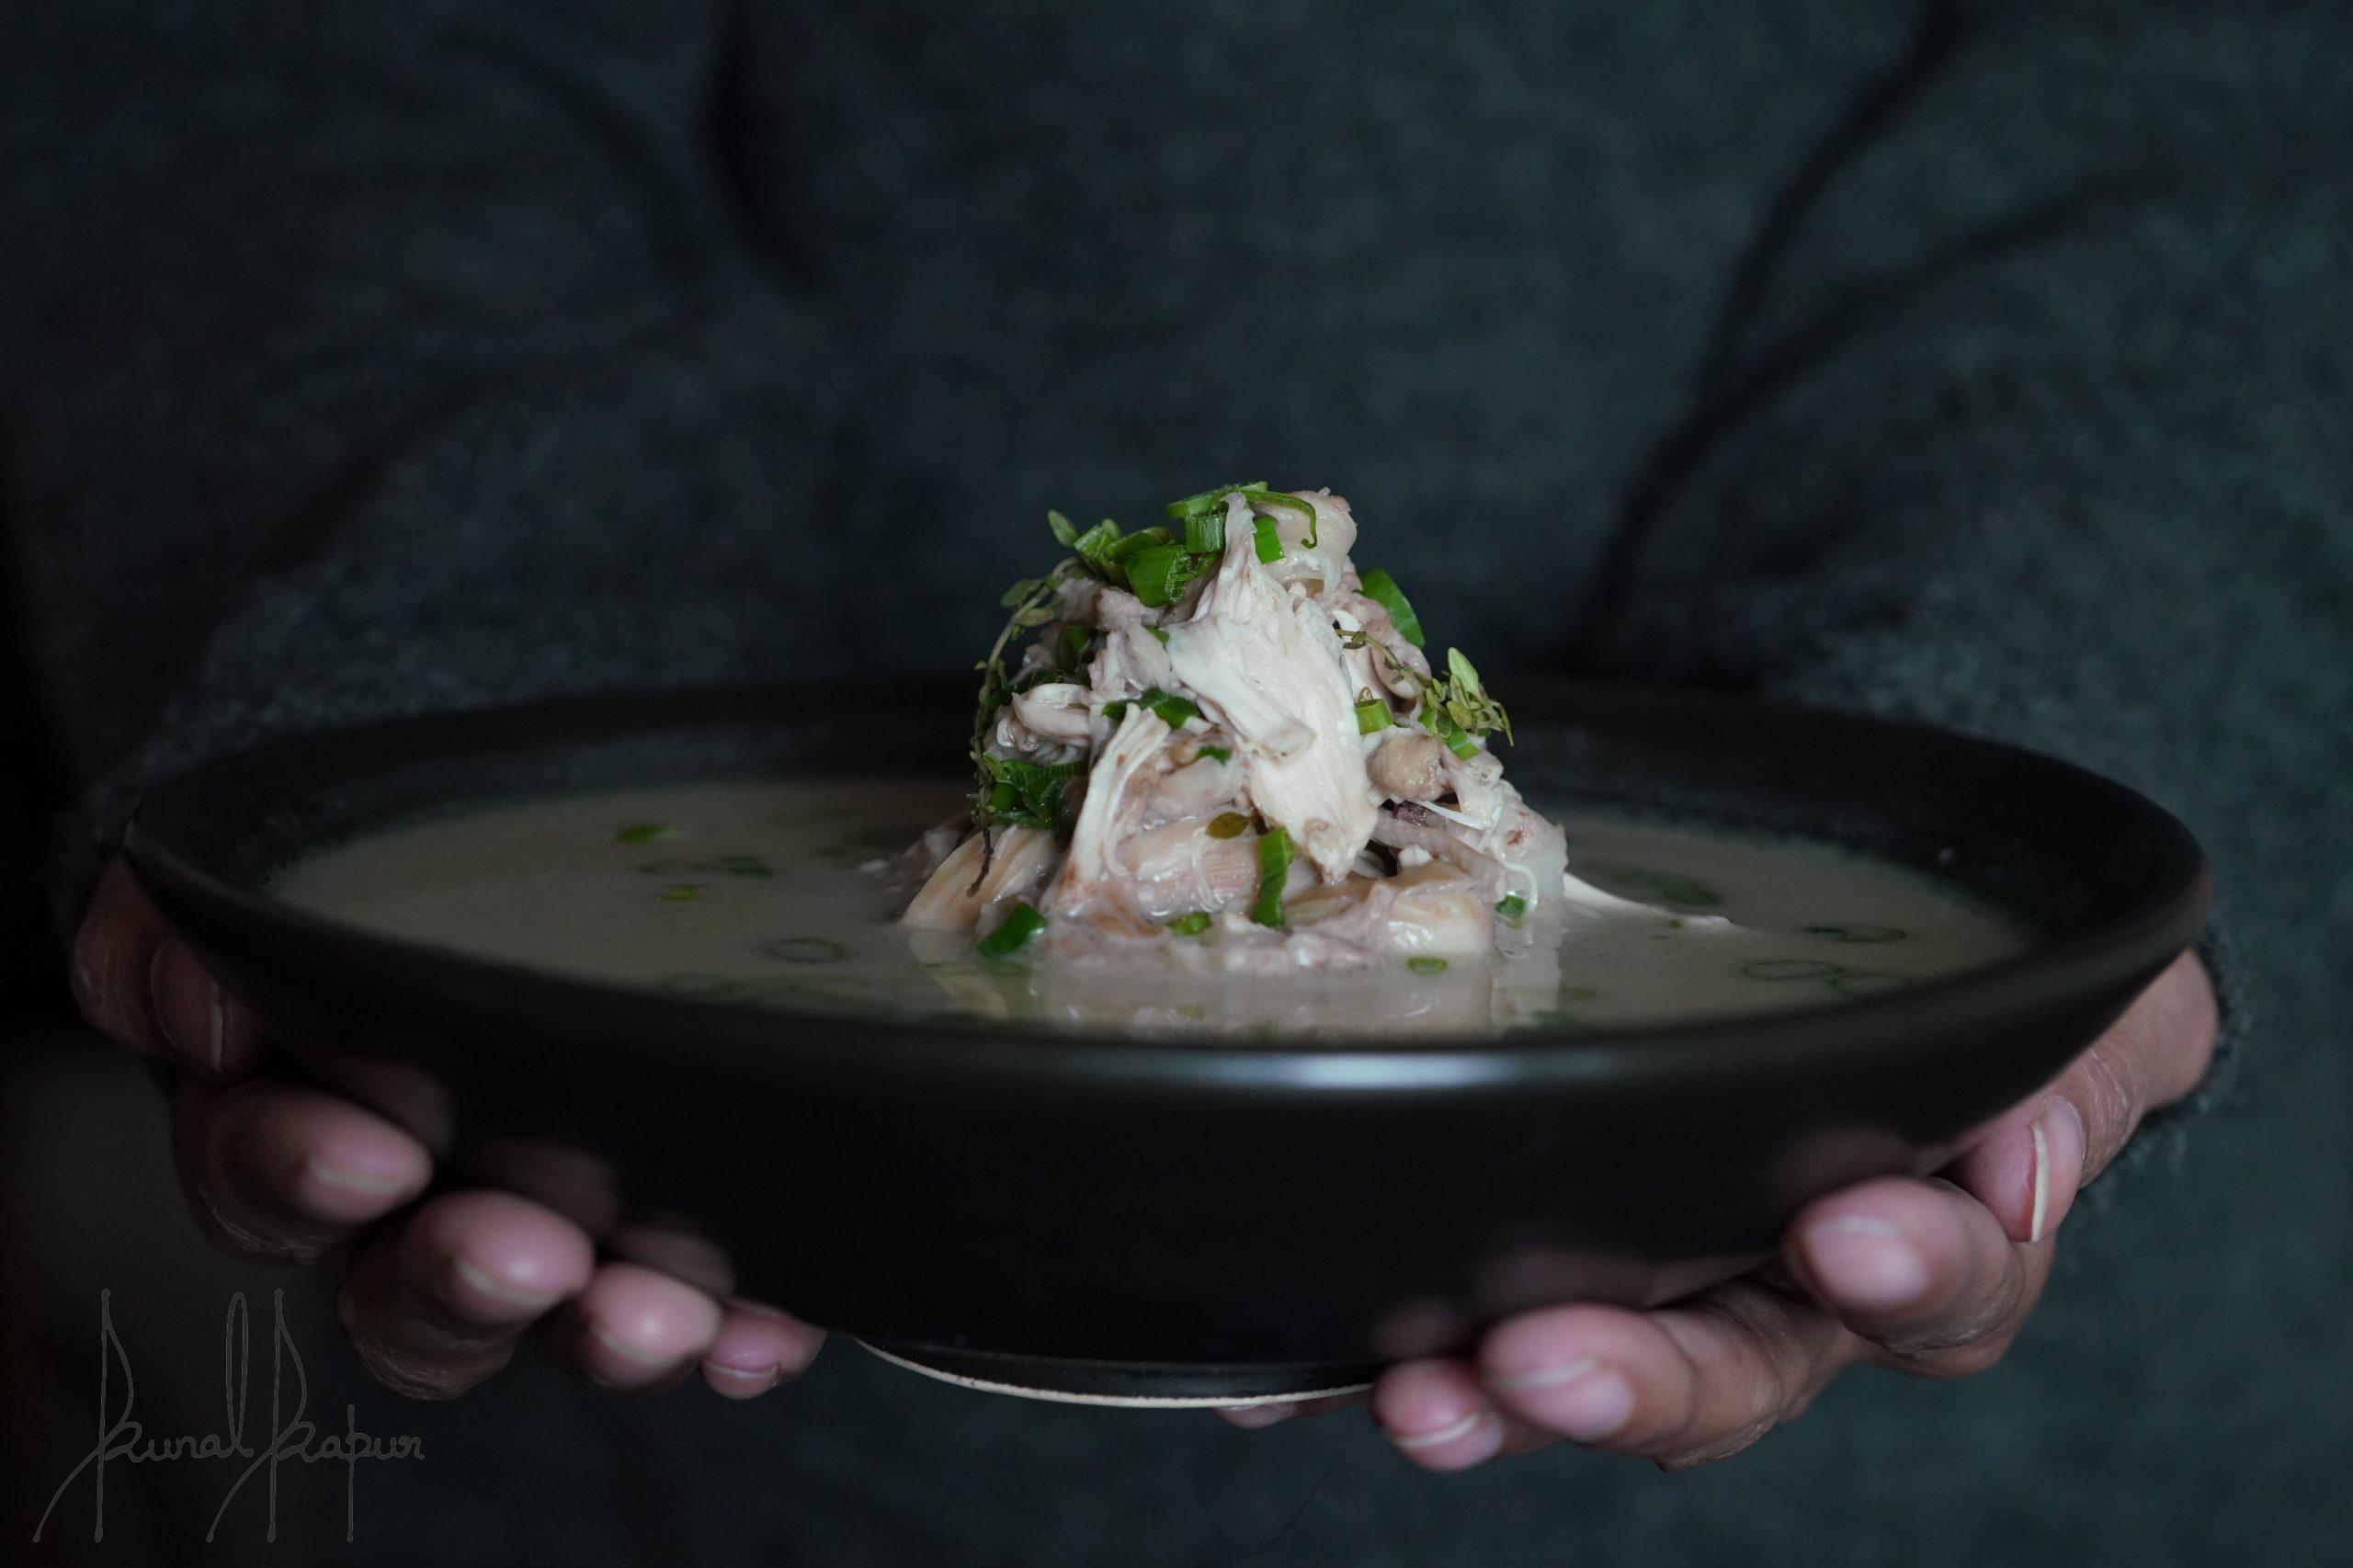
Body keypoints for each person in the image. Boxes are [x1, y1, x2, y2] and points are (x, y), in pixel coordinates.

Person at [6, 1, 2344, 1561]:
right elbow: (305, 77)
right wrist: (412, 723)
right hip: (699, 1344)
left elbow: (2251, 130)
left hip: (2065, 1443)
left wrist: (2045, 761)